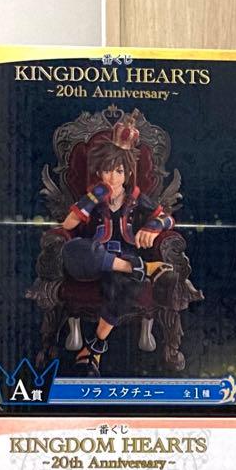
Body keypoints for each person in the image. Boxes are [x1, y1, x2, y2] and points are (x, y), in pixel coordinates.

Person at [58, 113, 175, 374]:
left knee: (126, 286)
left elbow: (167, 218)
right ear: (99, 172)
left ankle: (94, 350)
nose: (113, 177)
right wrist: (92, 197)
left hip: (125, 257)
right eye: (108, 170)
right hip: (96, 257)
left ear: (128, 173)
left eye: (119, 171)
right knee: (74, 248)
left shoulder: (135, 197)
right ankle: (145, 269)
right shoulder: (94, 195)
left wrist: (154, 227)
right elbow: (67, 224)